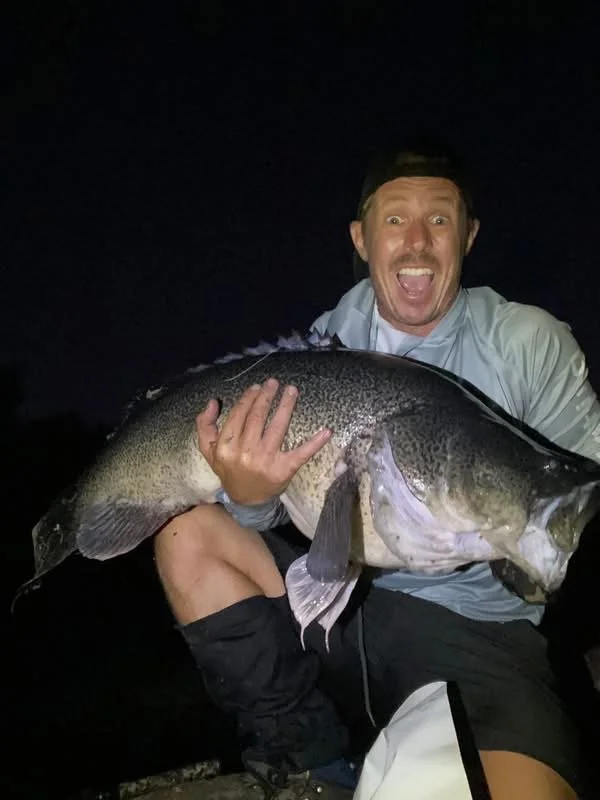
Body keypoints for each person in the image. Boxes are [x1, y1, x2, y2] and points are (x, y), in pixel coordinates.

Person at [154, 145, 600, 799]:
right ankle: (307, 757)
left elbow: (583, 498)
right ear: (362, 238)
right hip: (339, 618)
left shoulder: (526, 343)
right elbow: (280, 511)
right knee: (187, 532)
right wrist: (253, 499)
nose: (416, 242)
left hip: (476, 642)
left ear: (468, 236)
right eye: (395, 220)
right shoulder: (327, 340)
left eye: (440, 220)